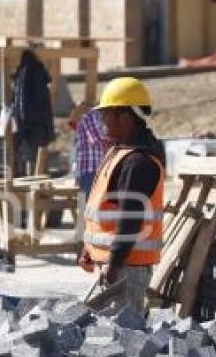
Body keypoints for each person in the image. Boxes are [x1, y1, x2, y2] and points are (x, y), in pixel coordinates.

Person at [80, 77, 165, 314]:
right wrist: (89, 248)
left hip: (125, 268)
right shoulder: (120, 154)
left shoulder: (138, 162)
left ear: (125, 117)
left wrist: (114, 263)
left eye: (106, 114)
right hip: (115, 266)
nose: (101, 120)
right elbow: (105, 210)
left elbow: (130, 219)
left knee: (123, 339)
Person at [70, 100, 111, 196]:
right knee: (87, 204)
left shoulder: (98, 119)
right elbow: (97, 139)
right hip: (89, 170)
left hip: (94, 170)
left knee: (88, 204)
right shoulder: (91, 116)